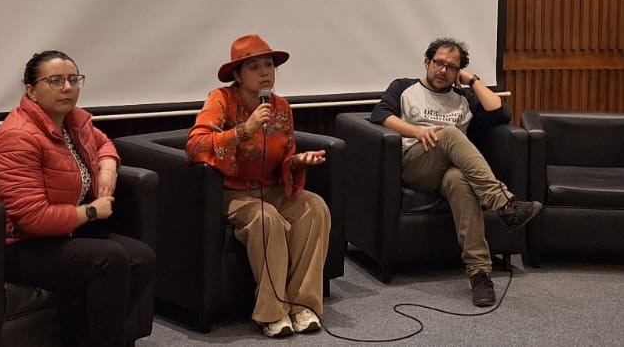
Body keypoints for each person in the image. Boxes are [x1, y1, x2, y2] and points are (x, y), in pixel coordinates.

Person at [0, 50, 156, 347]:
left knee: (142, 257)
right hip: (19, 244)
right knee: (108, 259)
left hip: (62, 233)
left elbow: (104, 143)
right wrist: (90, 212)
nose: (67, 87)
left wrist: (108, 167)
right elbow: (32, 219)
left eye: (73, 79)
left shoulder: (74, 121)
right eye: (56, 80)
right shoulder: (18, 137)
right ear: (31, 91)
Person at [370, 37, 543, 307]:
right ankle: (504, 203)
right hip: (416, 164)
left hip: (449, 170)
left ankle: (480, 274)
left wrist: (471, 80)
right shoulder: (404, 88)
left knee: (460, 180)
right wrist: (417, 131)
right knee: (449, 134)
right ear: (427, 62)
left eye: (451, 67)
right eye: (438, 63)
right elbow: (380, 115)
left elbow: (501, 113)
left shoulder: (463, 98)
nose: (443, 70)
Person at [186, 34, 331, 338]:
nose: (265, 72)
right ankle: (272, 312)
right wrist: (245, 129)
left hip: (272, 188)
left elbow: (284, 161)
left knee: (315, 207)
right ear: (237, 75)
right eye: (254, 67)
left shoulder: (280, 108)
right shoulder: (221, 100)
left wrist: (299, 161)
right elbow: (195, 147)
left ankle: (302, 305)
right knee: (265, 218)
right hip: (231, 193)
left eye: (269, 65)